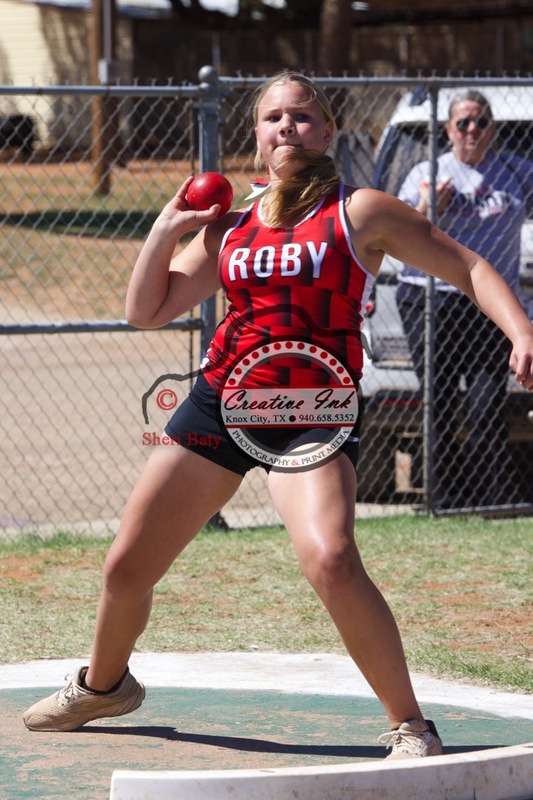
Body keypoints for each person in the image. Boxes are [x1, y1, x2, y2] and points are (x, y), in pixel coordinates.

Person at [23, 72, 533, 758]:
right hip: (224, 401)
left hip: (314, 405)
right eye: (271, 118)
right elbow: (146, 310)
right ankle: (104, 684)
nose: (286, 127)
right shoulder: (234, 226)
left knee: (330, 558)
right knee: (124, 568)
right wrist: (165, 227)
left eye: (301, 116)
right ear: (256, 136)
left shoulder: (362, 211)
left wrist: (519, 332)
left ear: (326, 132)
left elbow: (467, 266)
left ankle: (410, 724)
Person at [396, 89, 533, 508]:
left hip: (490, 302)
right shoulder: (427, 171)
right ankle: (442, 499)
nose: (472, 130)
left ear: (492, 129)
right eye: (463, 123)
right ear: (447, 130)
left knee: (486, 400)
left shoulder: (517, 170)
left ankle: (489, 498)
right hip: (429, 299)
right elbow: (396, 234)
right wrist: (425, 207)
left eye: (481, 122)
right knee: (437, 398)